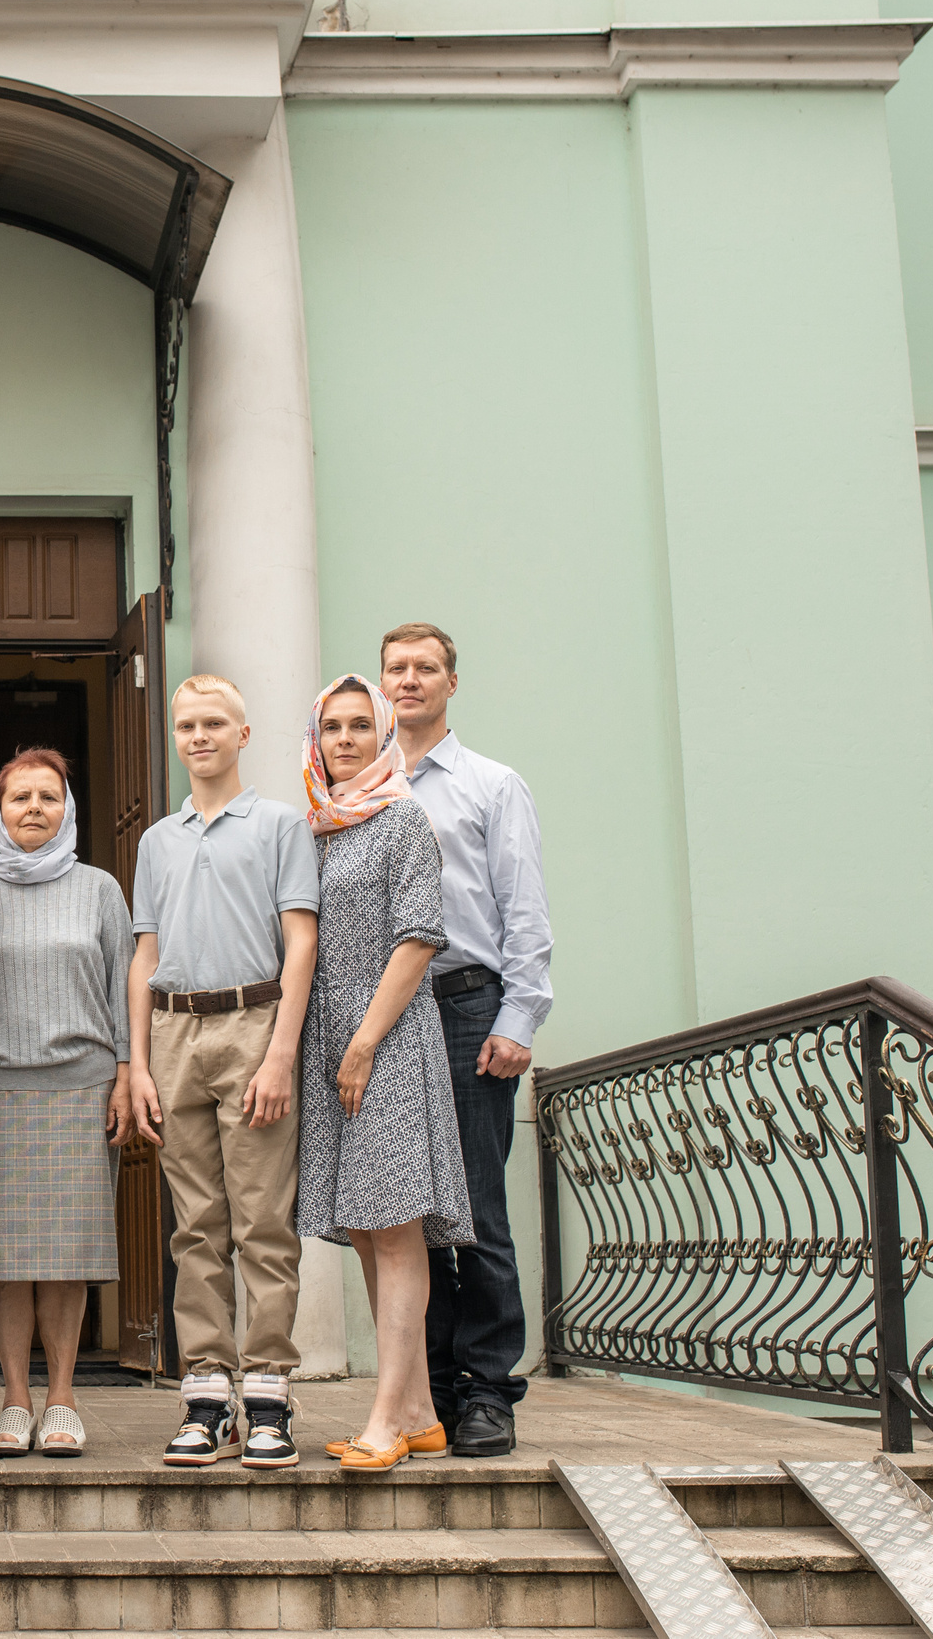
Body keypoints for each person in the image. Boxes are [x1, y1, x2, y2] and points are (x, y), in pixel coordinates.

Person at [123, 674, 318, 1471]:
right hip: (174, 1031)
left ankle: (268, 1395)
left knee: (263, 1220)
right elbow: (145, 953)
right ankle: (206, 1395)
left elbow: (300, 941)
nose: (198, 736)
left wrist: (281, 1053)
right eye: (186, 725)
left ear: (243, 733)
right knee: (195, 1225)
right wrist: (138, 1063)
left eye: (213, 723)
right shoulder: (157, 840)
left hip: (252, 1023)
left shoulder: (280, 825)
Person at [378, 621, 553, 1460]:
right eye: (396, 669)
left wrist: (520, 1017)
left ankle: (487, 1388)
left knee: (476, 1208)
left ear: (451, 682)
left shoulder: (491, 783)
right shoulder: (362, 785)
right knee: (412, 1211)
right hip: (389, 1017)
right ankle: (433, 1386)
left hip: (468, 1005)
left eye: (425, 668)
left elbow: (525, 909)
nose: (409, 680)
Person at [295, 674, 474, 1472]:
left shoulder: (404, 818)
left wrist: (366, 1040)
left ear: (383, 735)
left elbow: (418, 937)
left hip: (389, 1038)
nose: (345, 738)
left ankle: (384, 1420)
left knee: (397, 1227)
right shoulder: (320, 827)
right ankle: (420, 1412)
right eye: (332, 726)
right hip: (333, 1042)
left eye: (360, 725)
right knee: (368, 1228)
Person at [0, 749, 133, 1459]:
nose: (33, 807)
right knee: (3, 1254)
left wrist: (128, 1073)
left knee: (65, 1252)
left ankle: (61, 1398)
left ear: (68, 809)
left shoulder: (99, 889)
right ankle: (13, 1399)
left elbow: (125, 984)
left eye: (48, 797)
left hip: (82, 1086)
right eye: (19, 797)